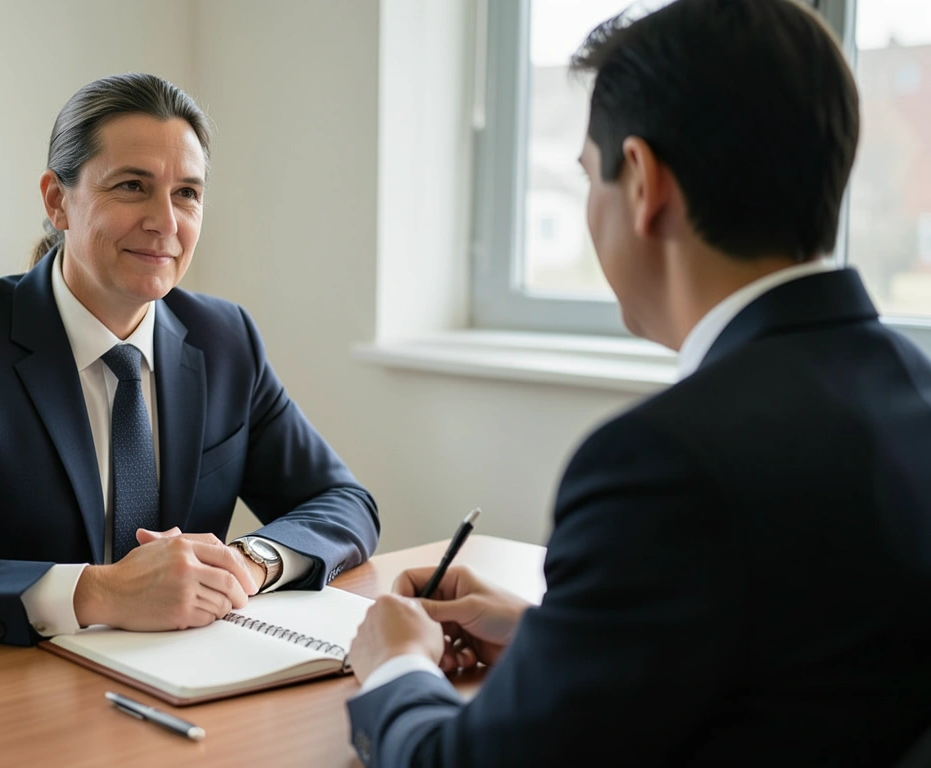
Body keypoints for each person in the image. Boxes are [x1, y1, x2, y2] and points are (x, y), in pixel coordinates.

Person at [345, 0, 931, 765]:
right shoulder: (910, 388)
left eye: (591, 176)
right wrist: (557, 636)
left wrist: (396, 664)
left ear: (646, 183)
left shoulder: (663, 463)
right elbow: (809, 661)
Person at [0, 73, 378, 646]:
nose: (165, 222)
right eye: (133, 186)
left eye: (187, 193)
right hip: (8, 690)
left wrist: (250, 560)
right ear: (58, 201)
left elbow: (343, 502)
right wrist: (100, 591)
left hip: (182, 680)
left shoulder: (225, 338)